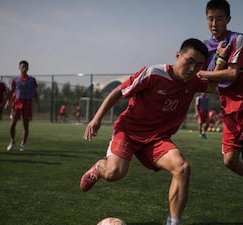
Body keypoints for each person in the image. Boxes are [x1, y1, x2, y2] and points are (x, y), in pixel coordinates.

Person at [80, 38, 214, 225]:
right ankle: (99, 168)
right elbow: (118, 91)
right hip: (129, 131)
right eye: (189, 61)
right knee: (114, 173)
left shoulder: (193, 81)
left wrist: (221, 58)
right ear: (178, 56)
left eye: (198, 65)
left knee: (182, 168)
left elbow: (214, 86)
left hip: (157, 138)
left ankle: (173, 222)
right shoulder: (153, 73)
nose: (192, 69)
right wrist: (97, 119)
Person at [197, 1, 243, 224]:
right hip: (229, 109)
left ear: (228, 19)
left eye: (219, 18)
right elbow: (209, 88)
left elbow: (232, 74)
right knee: (229, 161)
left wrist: (202, 72)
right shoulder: (204, 47)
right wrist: (215, 62)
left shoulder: (238, 39)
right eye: (210, 18)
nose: (214, 23)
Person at [6, 60, 41, 152]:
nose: (24, 68)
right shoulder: (15, 79)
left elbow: (36, 93)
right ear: (19, 68)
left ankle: (23, 144)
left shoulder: (32, 80)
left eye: (25, 67)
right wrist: (7, 102)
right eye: (22, 66)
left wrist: (38, 105)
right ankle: (12, 141)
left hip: (27, 104)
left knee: (26, 126)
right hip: (17, 104)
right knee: (12, 124)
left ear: (28, 68)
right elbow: (11, 91)